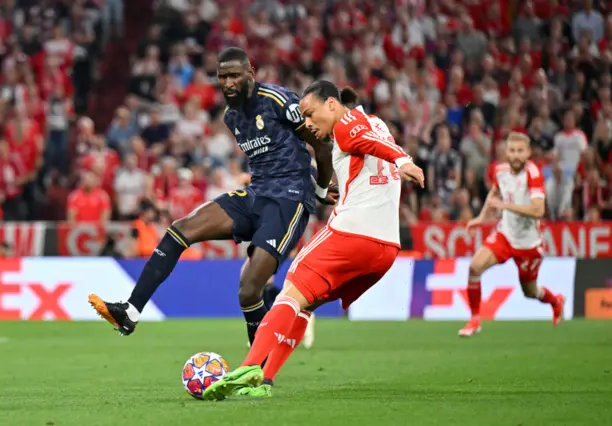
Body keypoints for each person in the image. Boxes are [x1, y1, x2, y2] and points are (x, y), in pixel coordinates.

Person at [88, 47, 335, 346]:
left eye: (234, 75)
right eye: (222, 77)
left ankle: (263, 360)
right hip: (257, 192)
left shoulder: (278, 101)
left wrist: (320, 188)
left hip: (289, 198)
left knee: (248, 290)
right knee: (180, 229)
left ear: (250, 74)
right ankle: (131, 310)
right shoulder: (232, 117)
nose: (228, 82)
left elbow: (320, 145)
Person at [201, 80, 424, 400]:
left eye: (309, 113)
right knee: (306, 303)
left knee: (289, 292)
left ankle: (251, 366)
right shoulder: (376, 123)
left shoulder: (346, 125)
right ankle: (265, 382)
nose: (305, 123)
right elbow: (371, 145)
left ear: (332, 104)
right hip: (385, 249)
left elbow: (370, 144)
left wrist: (404, 161)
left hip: (353, 233)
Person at [458, 131, 565, 337]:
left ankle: (555, 301)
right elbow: (496, 192)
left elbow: (538, 210)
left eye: (520, 151)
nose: (516, 155)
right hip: (505, 235)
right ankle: (475, 319)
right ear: (506, 152)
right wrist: (481, 218)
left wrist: (505, 205)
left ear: (528, 153)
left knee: (530, 292)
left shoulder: (533, 174)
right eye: (512, 150)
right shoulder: (500, 171)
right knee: (474, 267)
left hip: (528, 244)